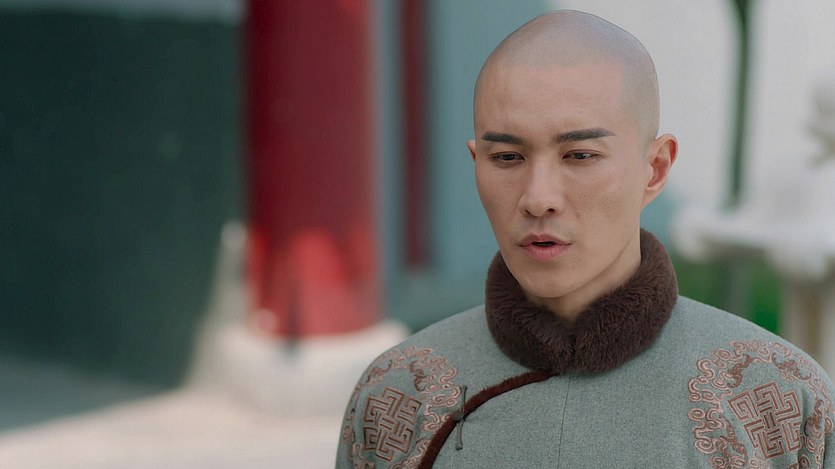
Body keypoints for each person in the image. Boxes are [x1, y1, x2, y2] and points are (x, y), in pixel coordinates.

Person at [336, 10, 835, 468]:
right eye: (507, 158)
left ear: (655, 168)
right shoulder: (400, 391)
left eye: (579, 156)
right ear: (476, 163)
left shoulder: (777, 397)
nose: (538, 198)